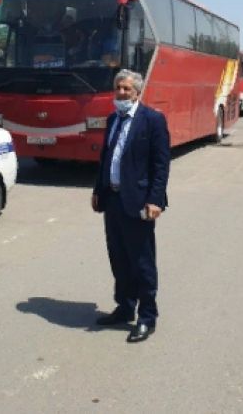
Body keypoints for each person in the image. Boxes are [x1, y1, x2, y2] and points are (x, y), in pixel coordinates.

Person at [91, 69, 170, 343]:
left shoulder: (153, 120)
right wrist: (98, 190)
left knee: (141, 261)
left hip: (138, 202)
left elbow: (161, 164)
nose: (121, 93)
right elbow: (106, 158)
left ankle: (147, 317)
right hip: (113, 200)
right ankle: (125, 307)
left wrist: (155, 199)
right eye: (118, 88)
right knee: (119, 258)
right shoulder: (113, 119)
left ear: (137, 92)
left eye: (126, 88)